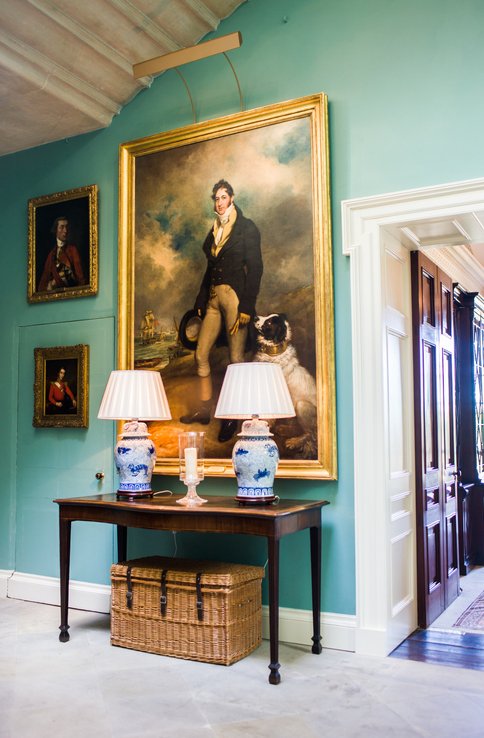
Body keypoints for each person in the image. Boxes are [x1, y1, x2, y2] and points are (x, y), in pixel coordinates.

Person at [181, 179, 263, 442]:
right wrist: (200, 300)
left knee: (236, 358)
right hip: (214, 300)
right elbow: (210, 270)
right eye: (216, 198)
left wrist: (247, 305)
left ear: (232, 198)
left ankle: (234, 416)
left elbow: (256, 268)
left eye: (223, 197)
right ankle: (205, 409)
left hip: (235, 299)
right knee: (201, 354)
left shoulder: (246, 227)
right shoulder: (214, 230)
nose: (219, 202)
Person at [38, 216, 86, 292]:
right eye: (62, 227)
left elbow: (81, 280)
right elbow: (42, 285)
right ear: (55, 230)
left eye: (66, 227)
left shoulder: (73, 250)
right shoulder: (51, 255)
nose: (65, 231)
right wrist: (51, 284)